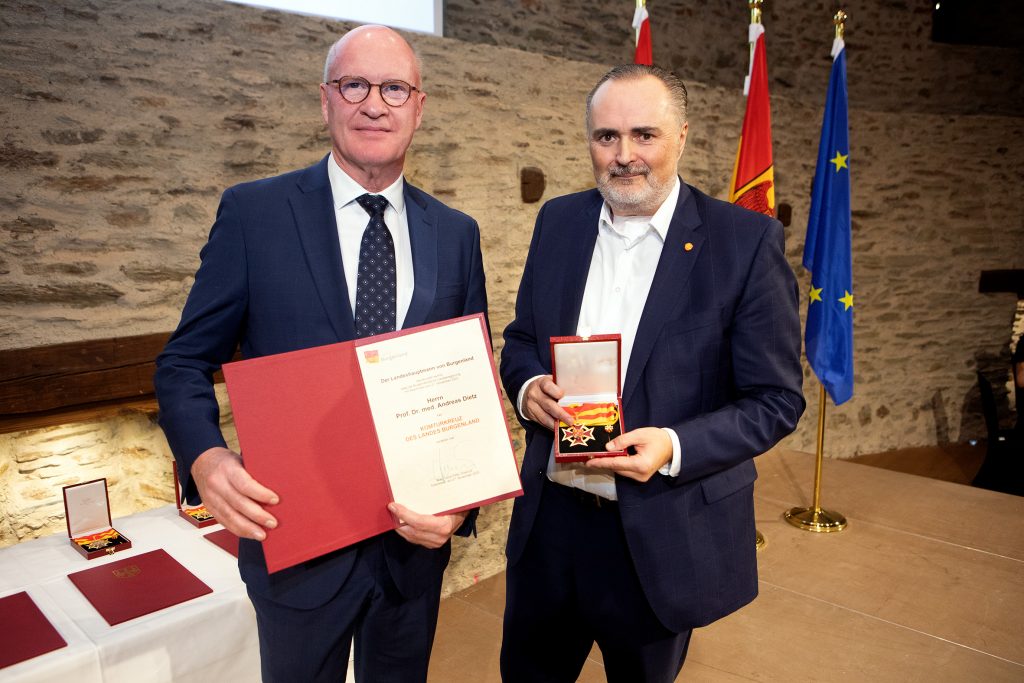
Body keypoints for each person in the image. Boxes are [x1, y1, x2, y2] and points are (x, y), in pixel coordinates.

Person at [155, 25, 486, 682]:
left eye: (394, 88)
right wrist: (206, 455)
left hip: (410, 557)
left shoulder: (455, 234)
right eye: (354, 85)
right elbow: (183, 362)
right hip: (297, 548)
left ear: (418, 107)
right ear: (325, 100)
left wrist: (460, 502)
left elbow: (466, 385)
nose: (374, 104)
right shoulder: (254, 215)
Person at [499, 64, 805, 682]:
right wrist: (530, 388)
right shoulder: (558, 223)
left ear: (682, 136)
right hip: (551, 524)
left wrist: (673, 446)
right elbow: (521, 340)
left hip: (660, 529)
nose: (624, 156)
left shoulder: (742, 243)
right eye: (606, 137)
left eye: (644, 135)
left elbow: (775, 399)